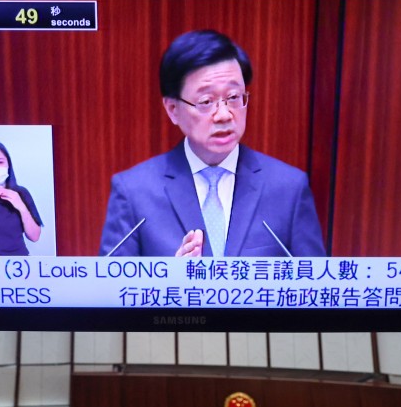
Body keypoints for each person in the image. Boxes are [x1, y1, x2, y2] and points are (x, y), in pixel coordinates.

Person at [98, 29, 326, 258]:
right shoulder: (134, 192)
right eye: (206, 101)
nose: (224, 115)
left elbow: (314, 278)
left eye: (234, 97)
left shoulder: (288, 189)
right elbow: (110, 281)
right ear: (173, 109)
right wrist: (168, 275)